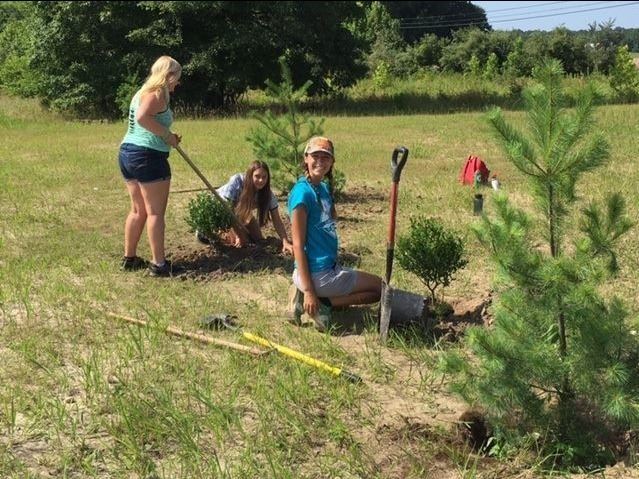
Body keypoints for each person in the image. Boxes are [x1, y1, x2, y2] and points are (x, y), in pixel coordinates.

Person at [288, 136, 382, 332]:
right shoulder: (302, 194)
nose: (320, 161)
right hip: (317, 275)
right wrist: (310, 291)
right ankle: (323, 304)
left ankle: (304, 296)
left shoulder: (320, 187)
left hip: (318, 270)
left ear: (332, 162)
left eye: (326, 157)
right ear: (306, 158)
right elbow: (297, 245)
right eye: (315, 156)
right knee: (379, 289)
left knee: (373, 286)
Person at [118, 55, 182, 277]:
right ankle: (159, 265)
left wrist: (169, 137)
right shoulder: (156, 94)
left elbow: (144, 121)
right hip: (148, 157)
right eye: (177, 77)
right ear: (169, 75)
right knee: (155, 213)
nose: (178, 83)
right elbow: (144, 118)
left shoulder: (142, 92)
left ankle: (130, 258)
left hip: (128, 153)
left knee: (138, 210)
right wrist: (167, 135)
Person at [197, 161, 293, 255]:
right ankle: (208, 235)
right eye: (257, 176)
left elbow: (277, 219)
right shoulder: (237, 181)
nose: (261, 180)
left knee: (259, 239)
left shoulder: (267, 194)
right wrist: (239, 235)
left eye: (264, 177)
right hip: (221, 213)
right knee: (242, 241)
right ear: (250, 176)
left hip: (239, 212)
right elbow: (227, 210)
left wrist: (285, 241)